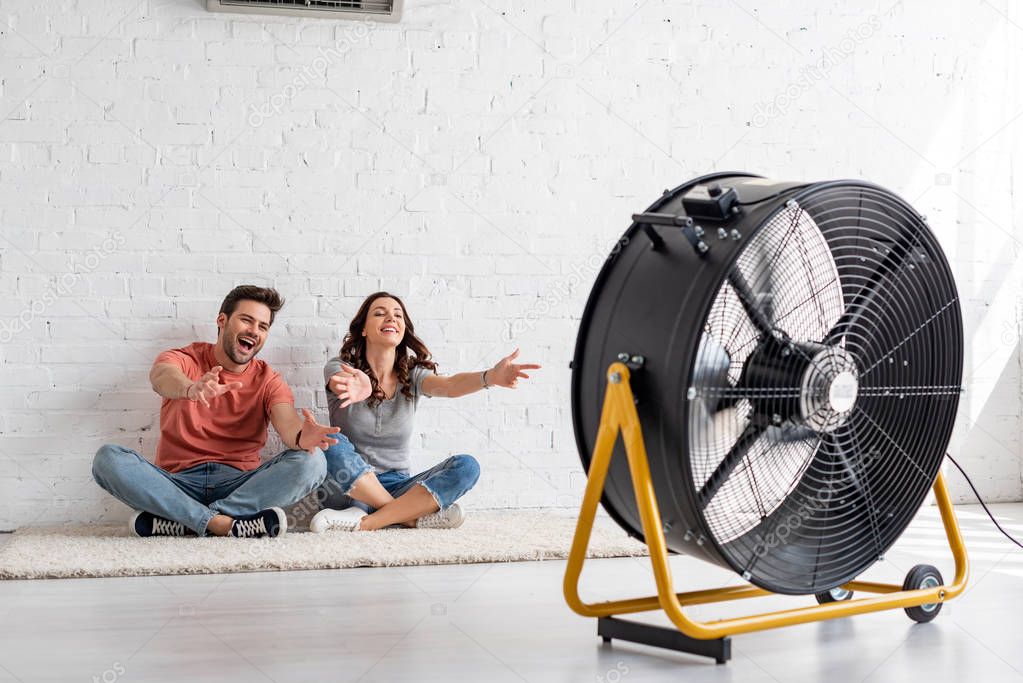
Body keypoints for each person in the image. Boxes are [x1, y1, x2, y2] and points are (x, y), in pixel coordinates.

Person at [91, 285, 371, 538]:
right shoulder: (185, 358)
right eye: (247, 320)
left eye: (262, 326)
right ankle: (223, 523)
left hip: (238, 485)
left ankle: (189, 521)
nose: (254, 331)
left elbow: (288, 425)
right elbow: (162, 376)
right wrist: (190, 389)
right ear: (222, 321)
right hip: (177, 482)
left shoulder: (269, 380)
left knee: (313, 462)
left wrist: (302, 436)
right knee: (108, 459)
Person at [309, 291, 541, 532]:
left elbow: (450, 386)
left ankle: (370, 521)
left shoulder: (411, 376)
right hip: (347, 484)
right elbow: (338, 381)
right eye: (380, 313)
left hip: (396, 484)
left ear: (403, 330)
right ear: (364, 330)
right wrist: (359, 383)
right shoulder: (340, 367)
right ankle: (405, 517)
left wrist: (490, 377)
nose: (391, 318)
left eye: (397, 315)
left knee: (467, 466)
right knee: (331, 442)